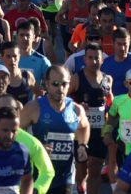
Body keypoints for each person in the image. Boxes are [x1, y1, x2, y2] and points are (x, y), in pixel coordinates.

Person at [20, 65, 90, 194]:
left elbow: (84, 127)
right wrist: (36, 149)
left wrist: (82, 145)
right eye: (55, 84)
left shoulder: (76, 109)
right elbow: (14, 134)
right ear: (46, 84)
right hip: (39, 177)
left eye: (64, 84)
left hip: (65, 178)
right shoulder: (34, 108)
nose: (60, 88)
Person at [69, 43, 113, 194]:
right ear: (84, 59)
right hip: (81, 132)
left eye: (97, 58)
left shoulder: (107, 79)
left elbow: (110, 103)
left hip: (99, 131)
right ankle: (81, 189)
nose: (94, 61)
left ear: (102, 60)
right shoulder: (76, 79)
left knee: (95, 170)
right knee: (82, 173)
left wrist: (109, 99)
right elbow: (64, 100)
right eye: (90, 58)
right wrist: (77, 106)